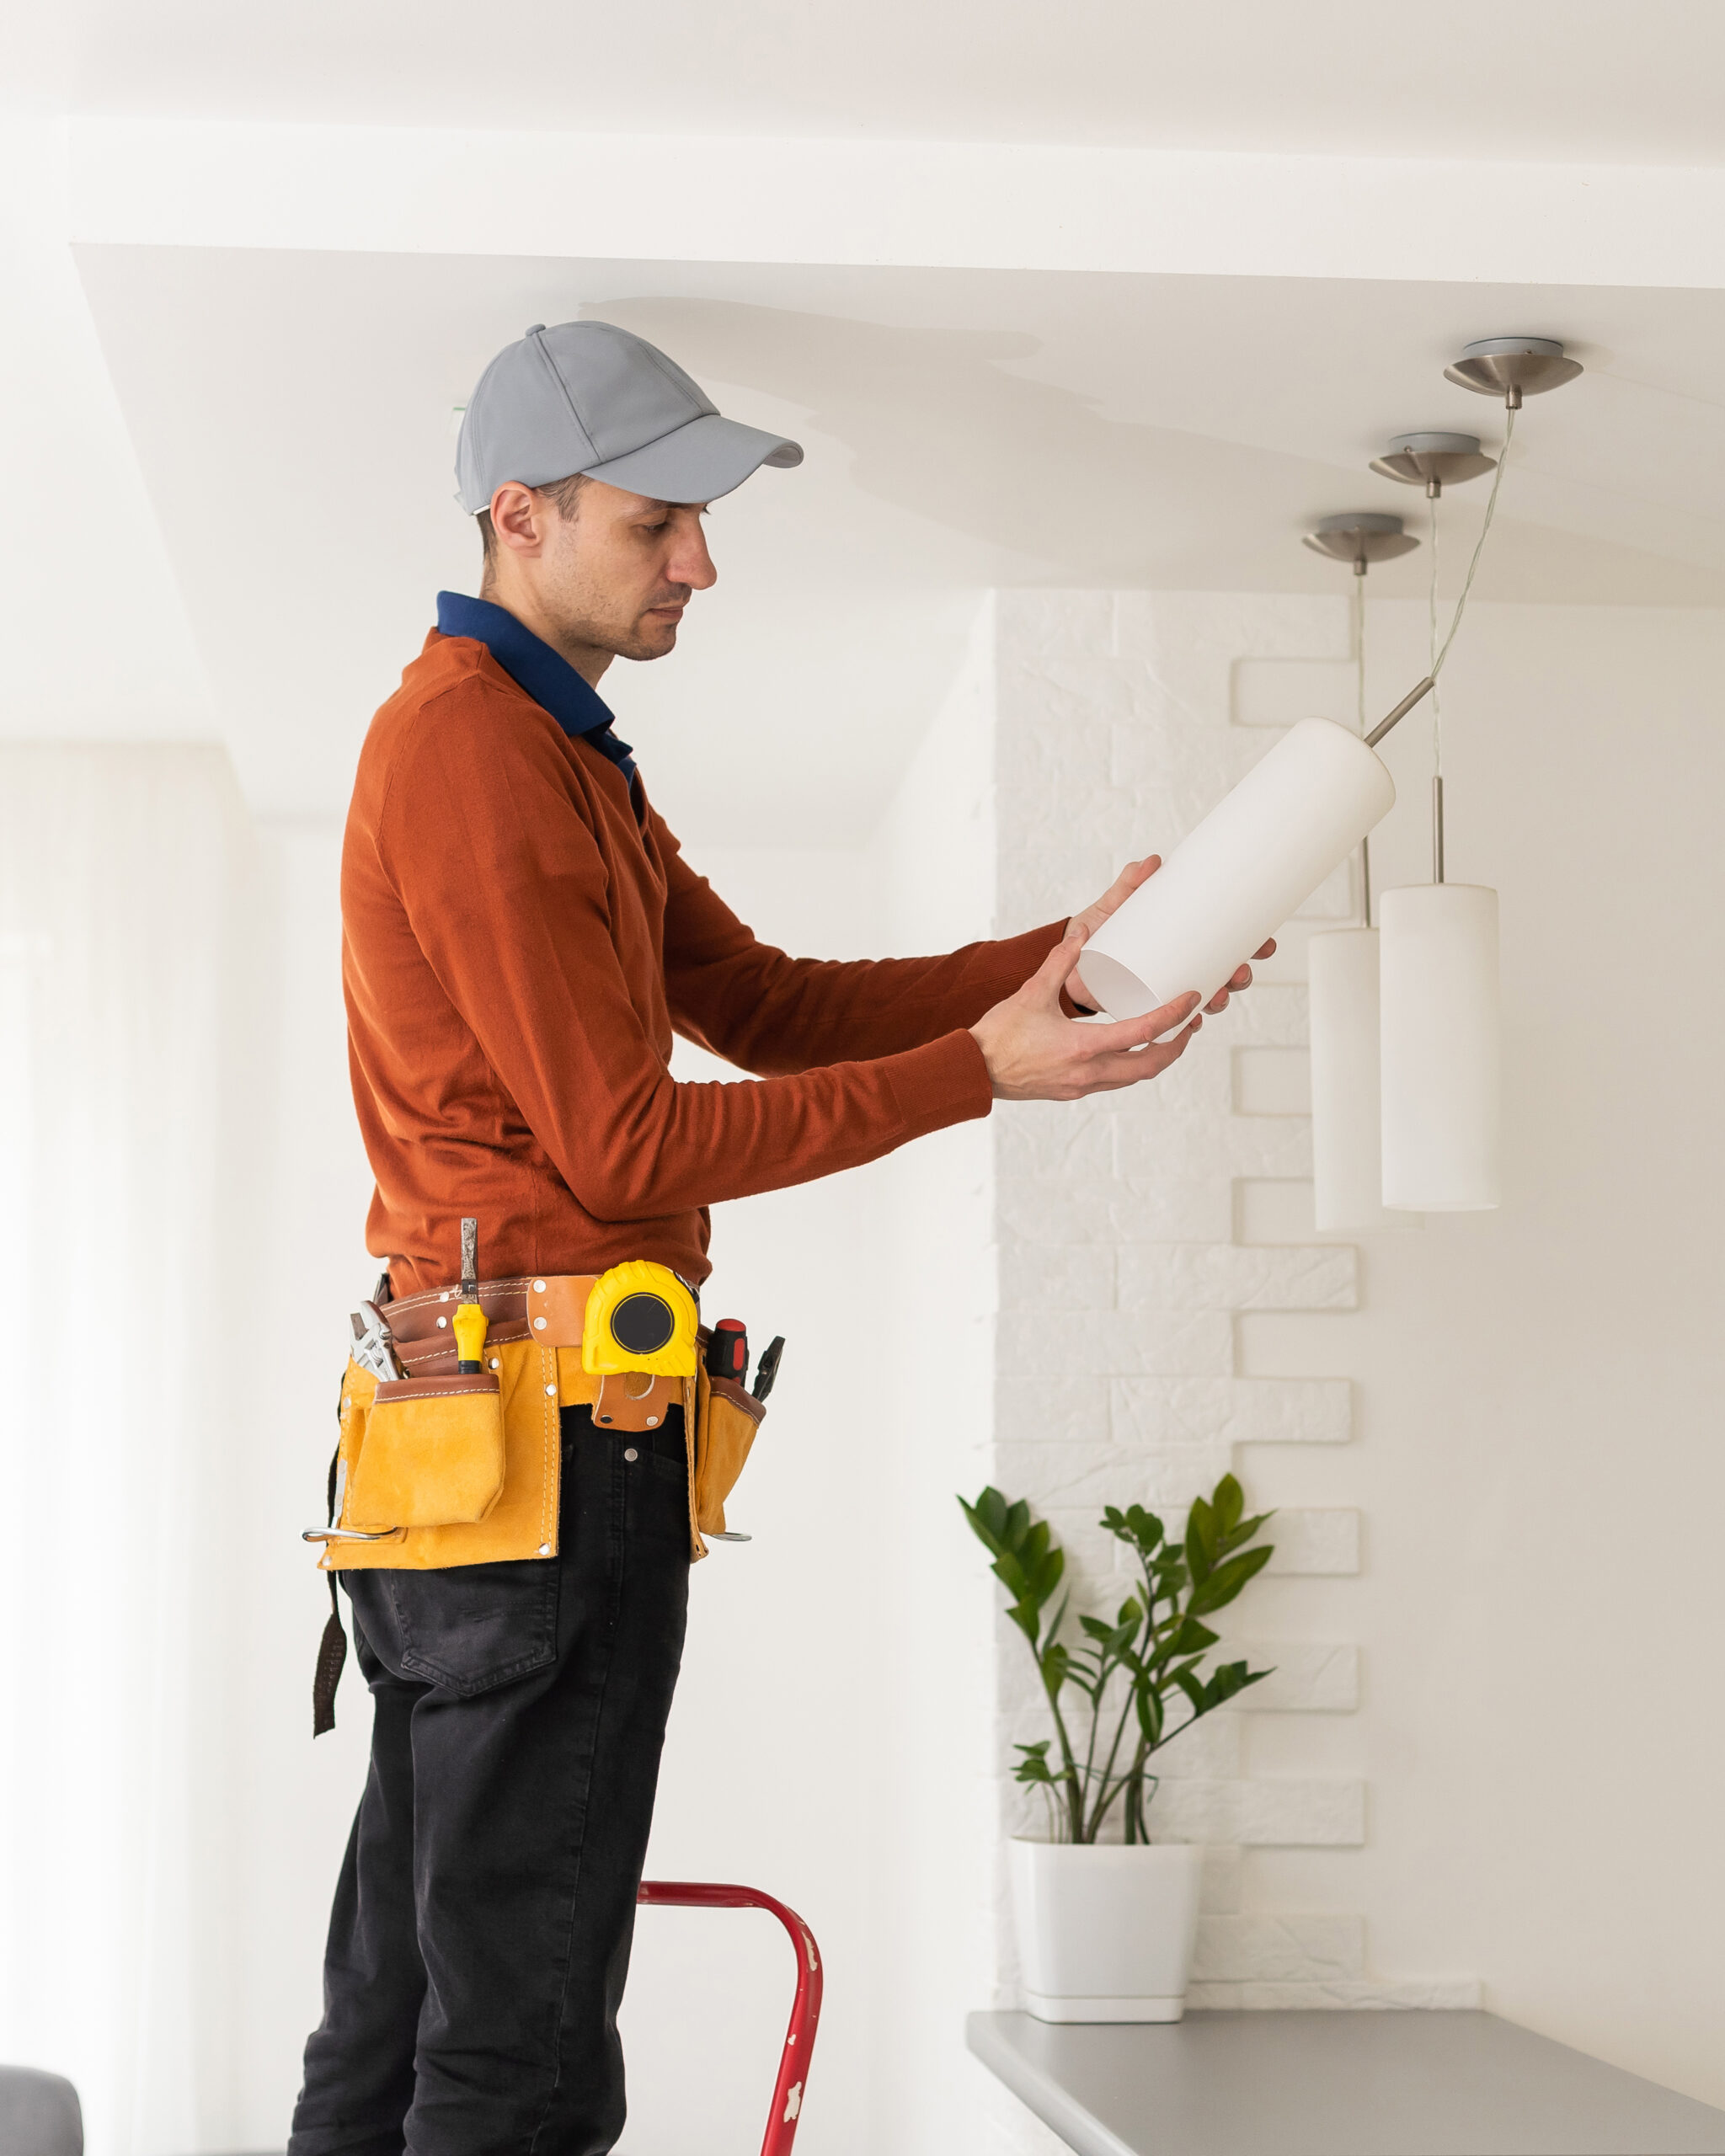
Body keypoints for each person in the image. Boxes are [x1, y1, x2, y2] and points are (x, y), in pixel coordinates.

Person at [287, 320, 1265, 2156]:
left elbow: (757, 997)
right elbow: (625, 1135)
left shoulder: (556, 754)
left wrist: (1049, 962)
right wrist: (979, 1074)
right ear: (522, 513)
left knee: (415, 1998)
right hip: (544, 1449)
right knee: (520, 2036)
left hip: (472, 1447)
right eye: (661, 522)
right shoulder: (475, 752)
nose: (700, 562)